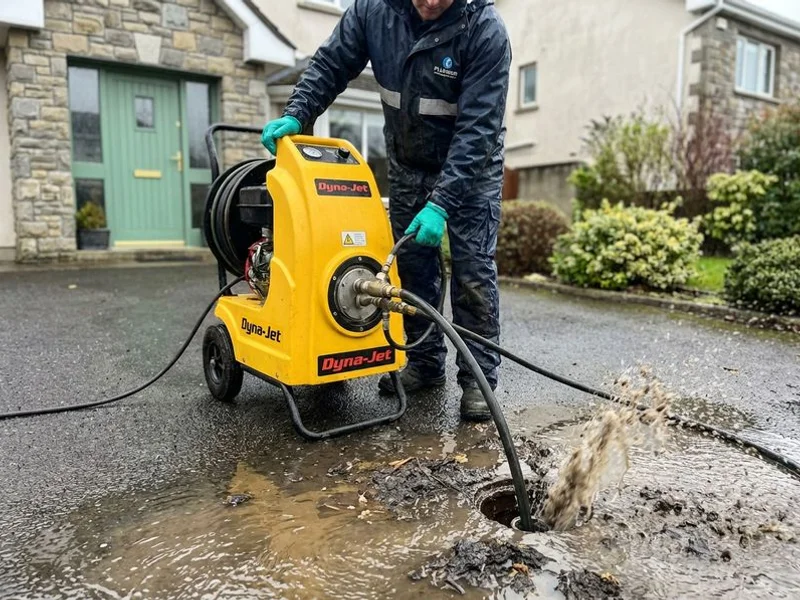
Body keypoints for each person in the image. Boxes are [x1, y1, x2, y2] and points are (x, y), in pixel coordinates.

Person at [261, 0, 511, 421]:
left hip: (473, 170)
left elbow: (477, 130)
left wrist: (442, 204)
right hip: (409, 161)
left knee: (472, 274)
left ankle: (478, 381)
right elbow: (330, 64)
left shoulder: (485, 30)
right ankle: (425, 363)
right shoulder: (372, 13)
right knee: (412, 269)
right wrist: (297, 113)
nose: (431, 3)